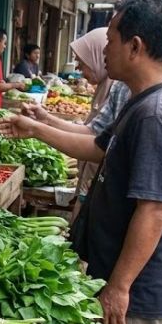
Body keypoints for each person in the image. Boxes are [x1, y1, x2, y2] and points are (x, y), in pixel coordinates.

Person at [0, 0, 162, 324]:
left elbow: (154, 209)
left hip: (138, 290)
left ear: (136, 47)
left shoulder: (157, 112)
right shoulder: (144, 100)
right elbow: (98, 146)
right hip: (127, 281)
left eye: (113, 39)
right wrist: (37, 128)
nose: (106, 48)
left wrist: (118, 288)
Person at [18, 28, 113, 216]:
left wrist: (36, 129)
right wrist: (45, 119)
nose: (77, 68)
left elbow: (98, 145)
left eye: (80, 60)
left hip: (100, 189)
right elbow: (91, 132)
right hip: (90, 185)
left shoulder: (118, 89)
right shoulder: (105, 87)